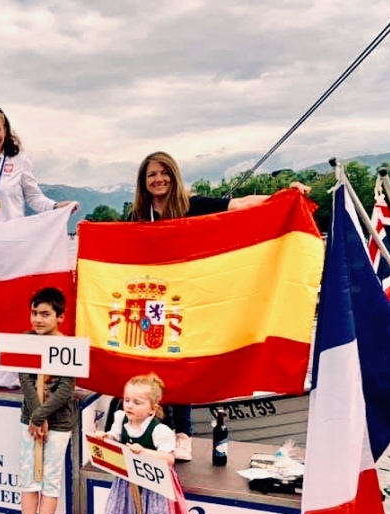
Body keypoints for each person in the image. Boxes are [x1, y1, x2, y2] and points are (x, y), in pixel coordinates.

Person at [129, 151, 313, 461]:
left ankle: (184, 434)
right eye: (152, 174)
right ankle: (154, 432)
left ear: (173, 175)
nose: (158, 179)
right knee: (153, 367)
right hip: (153, 301)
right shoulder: (136, 216)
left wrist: (286, 196)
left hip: (186, 299)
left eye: (164, 172)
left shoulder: (191, 205)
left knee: (180, 364)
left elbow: (240, 204)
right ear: (143, 181)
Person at [97, 373, 197, 514]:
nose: (129, 405)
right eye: (127, 400)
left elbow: (169, 458)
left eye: (137, 402)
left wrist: (145, 452)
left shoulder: (160, 431)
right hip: (129, 479)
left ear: (152, 409)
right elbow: (115, 437)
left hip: (156, 486)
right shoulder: (121, 418)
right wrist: (105, 438)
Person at [17, 287, 78, 514]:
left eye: (45, 314)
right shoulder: (25, 341)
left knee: (50, 481)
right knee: (28, 478)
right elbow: (26, 380)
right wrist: (36, 417)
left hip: (59, 422)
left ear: (60, 317)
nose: (38, 319)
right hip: (30, 420)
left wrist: (42, 416)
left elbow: (65, 390)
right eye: (34, 313)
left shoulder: (69, 347)